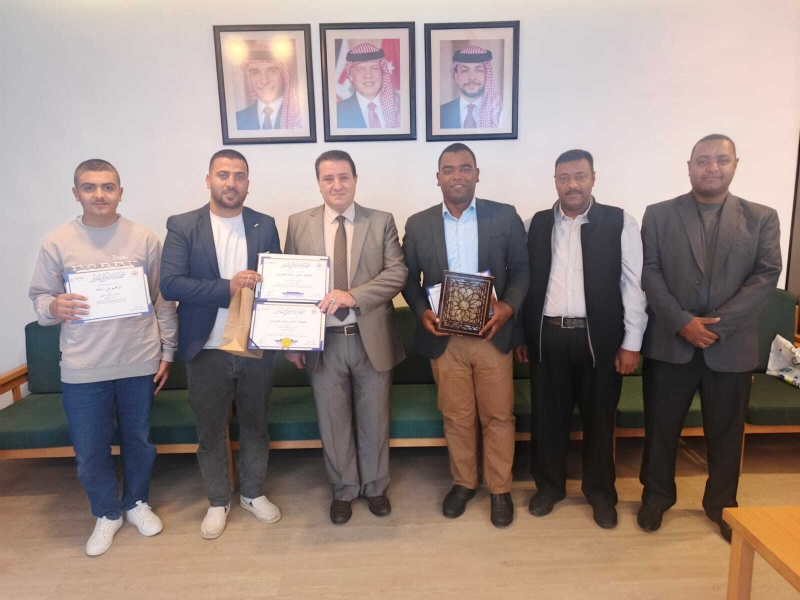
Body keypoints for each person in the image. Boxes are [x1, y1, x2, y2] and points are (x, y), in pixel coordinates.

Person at [28, 159, 177, 556]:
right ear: (76, 193)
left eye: (108, 187)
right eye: (90, 187)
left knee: (139, 441)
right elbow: (40, 298)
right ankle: (107, 512)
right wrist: (54, 306)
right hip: (83, 364)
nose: (99, 194)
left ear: (120, 192)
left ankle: (136, 502)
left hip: (139, 358)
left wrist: (168, 350)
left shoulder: (144, 238)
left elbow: (162, 300)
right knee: (90, 449)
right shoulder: (57, 241)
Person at [638, 134, 781, 541]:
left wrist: (713, 327)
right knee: (661, 429)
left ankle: (722, 504)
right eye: (702, 160)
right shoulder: (659, 215)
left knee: (726, 433)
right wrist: (683, 322)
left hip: (731, 348)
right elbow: (650, 272)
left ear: (736, 164)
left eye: (721, 159)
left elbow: (766, 276)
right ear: (689, 167)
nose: (712, 167)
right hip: (671, 343)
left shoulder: (762, 217)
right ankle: (656, 497)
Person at [515, 149, 648, 529]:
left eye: (579, 176)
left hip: (600, 341)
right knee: (548, 419)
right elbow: (523, 284)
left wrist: (632, 342)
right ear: (555, 182)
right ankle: (549, 488)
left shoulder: (620, 222)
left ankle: (601, 494)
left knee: (600, 421)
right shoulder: (535, 224)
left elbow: (633, 284)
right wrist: (523, 334)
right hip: (548, 338)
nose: (572, 184)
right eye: (564, 177)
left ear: (593, 178)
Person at [401, 143, 529, 528]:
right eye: (449, 169)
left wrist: (508, 307)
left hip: (492, 334)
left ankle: (500, 489)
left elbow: (522, 270)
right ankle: (464, 483)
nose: (457, 175)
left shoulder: (504, 216)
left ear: (477, 174)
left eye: (465, 168)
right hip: (445, 338)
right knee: (456, 417)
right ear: (438, 177)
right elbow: (407, 279)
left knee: (498, 415)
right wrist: (422, 312)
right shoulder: (418, 224)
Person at [160, 149, 282, 540]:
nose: (232, 182)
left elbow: (277, 284)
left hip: (254, 346)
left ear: (248, 183)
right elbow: (170, 284)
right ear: (209, 180)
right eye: (223, 174)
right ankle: (217, 500)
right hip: (205, 349)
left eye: (239, 176)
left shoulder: (265, 224)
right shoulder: (183, 225)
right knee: (210, 431)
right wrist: (226, 287)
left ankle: (252, 493)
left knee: (256, 426)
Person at [283, 150, 408, 524]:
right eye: (328, 178)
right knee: (332, 421)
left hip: (372, 338)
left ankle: (375, 487)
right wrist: (293, 341)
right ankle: (343, 490)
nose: (336, 185)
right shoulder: (298, 223)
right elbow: (289, 284)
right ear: (318, 183)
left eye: (343, 177)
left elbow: (397, 274)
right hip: (324, 343)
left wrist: (353, 296)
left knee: (374, 419)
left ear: (355, 179)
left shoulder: (381, 221)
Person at [235, 44, 302, 130]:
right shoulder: (237, 120)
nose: (264, 81)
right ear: (248, 78)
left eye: (272, 71)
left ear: (283, 75)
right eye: (256, 73)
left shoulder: (299, 119)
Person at [336, 43, 401, 129]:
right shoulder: (338, 113)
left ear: (382, 72)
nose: (368, 75)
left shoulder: (400, 106)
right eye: (360, 69)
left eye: (374, 68)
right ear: (350, 76)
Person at [439, 45, 502, 129]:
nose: (472, 77)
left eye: (479, 70)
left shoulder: (499, 114)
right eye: (465, 70)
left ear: (487, 76)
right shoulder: (440, 114)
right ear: (456, 77)